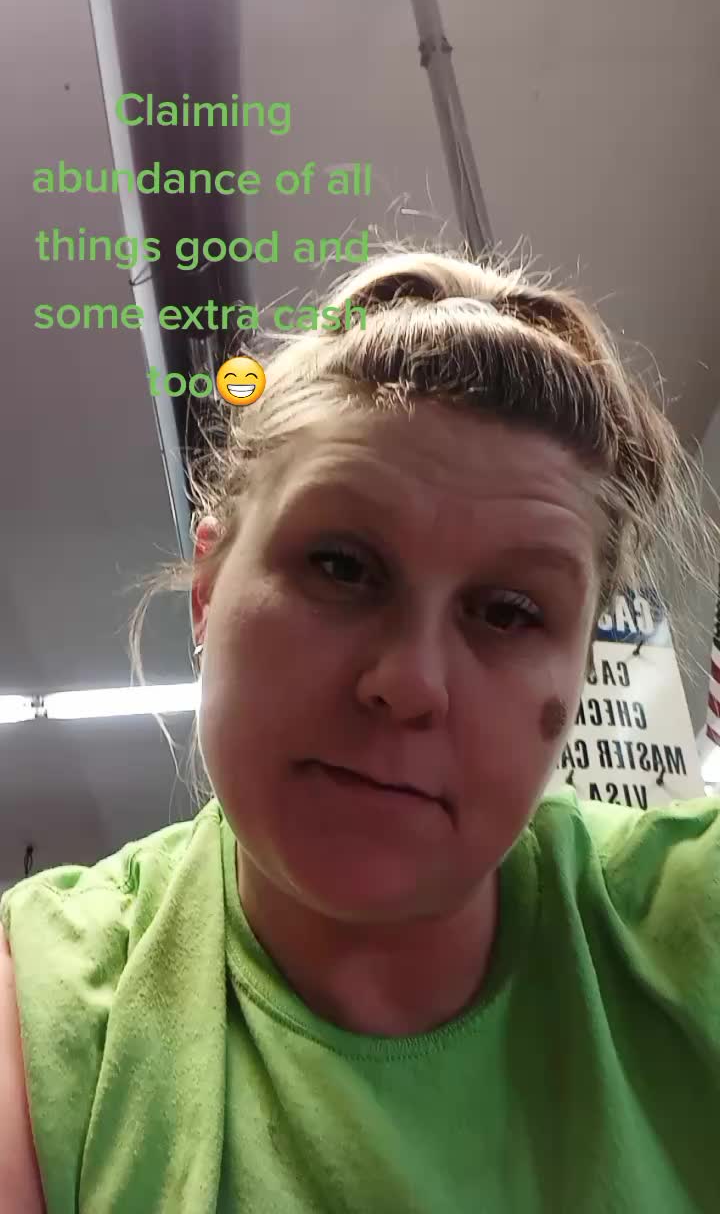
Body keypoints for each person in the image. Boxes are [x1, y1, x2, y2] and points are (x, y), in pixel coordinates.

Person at [2, 241, 720, 1214]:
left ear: (581, 668)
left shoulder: (689, 926)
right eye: (342, 566)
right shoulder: (46, 1011)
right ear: (209, 590)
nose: (410, 682)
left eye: (510, 612)